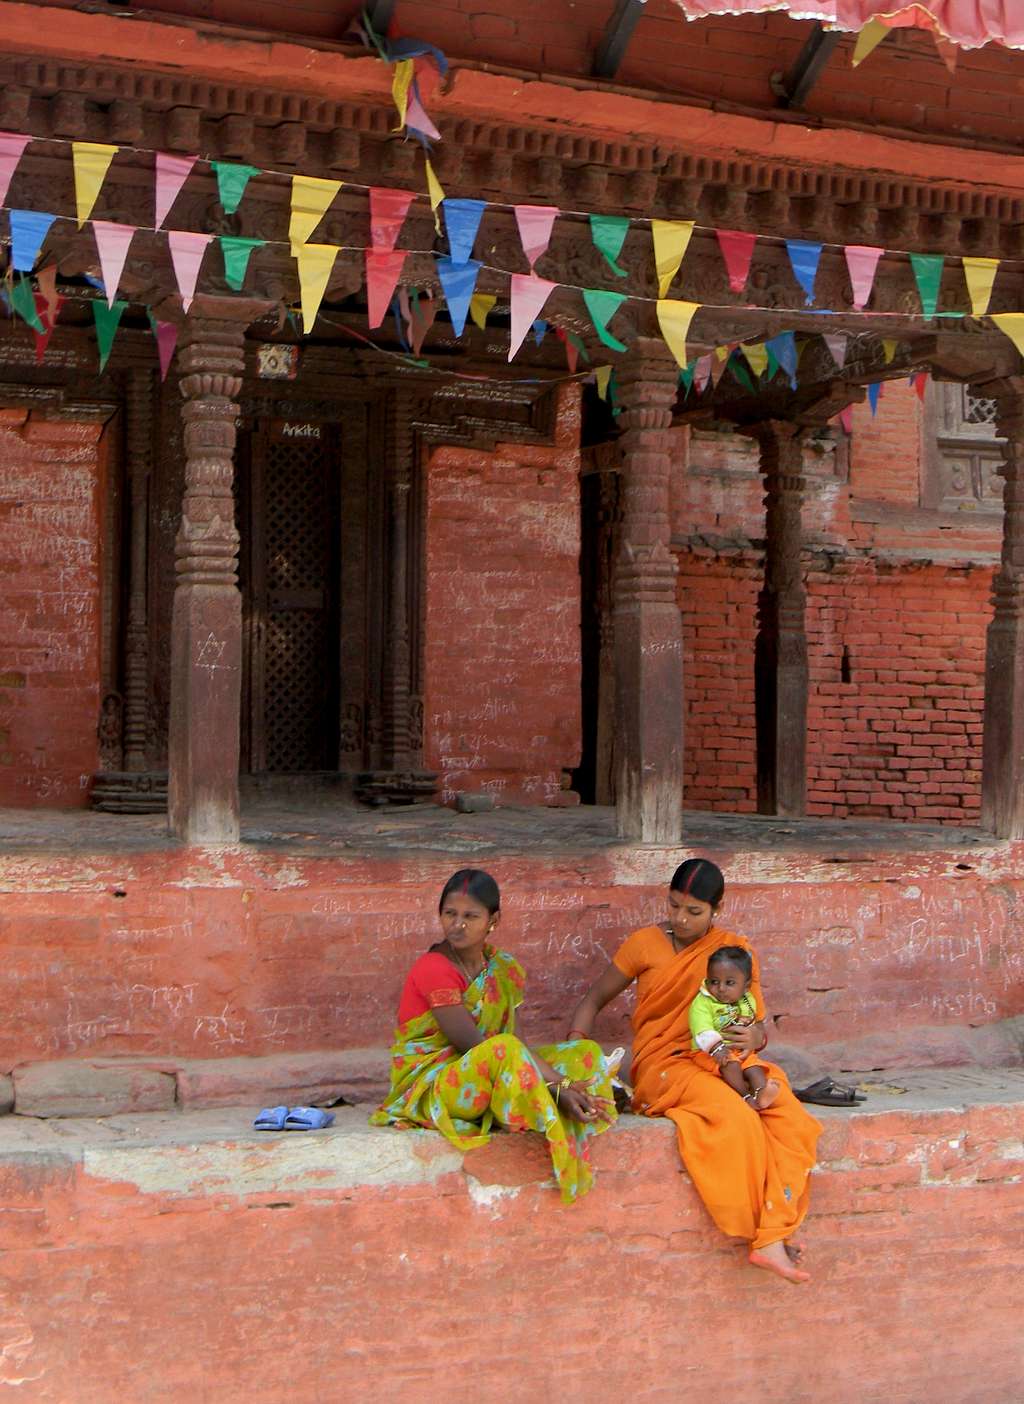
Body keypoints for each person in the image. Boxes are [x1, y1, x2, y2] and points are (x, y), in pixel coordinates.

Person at [566, 858, 821, 1282]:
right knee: (736, 1119)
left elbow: (758, 1023)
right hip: (663, 1064)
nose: (681, 919)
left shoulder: (734, 952)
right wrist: (577, 1053)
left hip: (724, 1062)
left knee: (790, 1119)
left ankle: (773, 1230)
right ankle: (768, 1237)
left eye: (694, 911)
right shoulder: (644, 944)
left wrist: (754, 1038)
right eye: (673, 907)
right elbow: (593, 1000)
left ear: (716, 910)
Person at [371, 868, 615, 1203]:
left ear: (493, 920)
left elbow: (517, 1041)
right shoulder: (433, 968)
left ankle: (582, 1107)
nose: (458, 925)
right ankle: (543, 1106)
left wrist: (560, 1079)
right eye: (450, 914)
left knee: (584, 1053)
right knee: (507, 1052)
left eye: (470, 916)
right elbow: (475, 1045)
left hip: (492, 1069)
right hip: (436, 1085)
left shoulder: (501, 968)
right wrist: (556, 1085)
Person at [689, 945, 779, 1111]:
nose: (721, 988)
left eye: (729, 983)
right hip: (710, 1053)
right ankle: (744, 1095)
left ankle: (761, 1094)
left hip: (738, 1050)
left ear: (745, 987)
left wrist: (749, 1042)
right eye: (714, 982)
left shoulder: (747, 1000)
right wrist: (717, 1048)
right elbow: (702, 1031)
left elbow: (752, 1024)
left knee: (754, 1067)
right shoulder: (702, 1003)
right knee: (731, 1065)